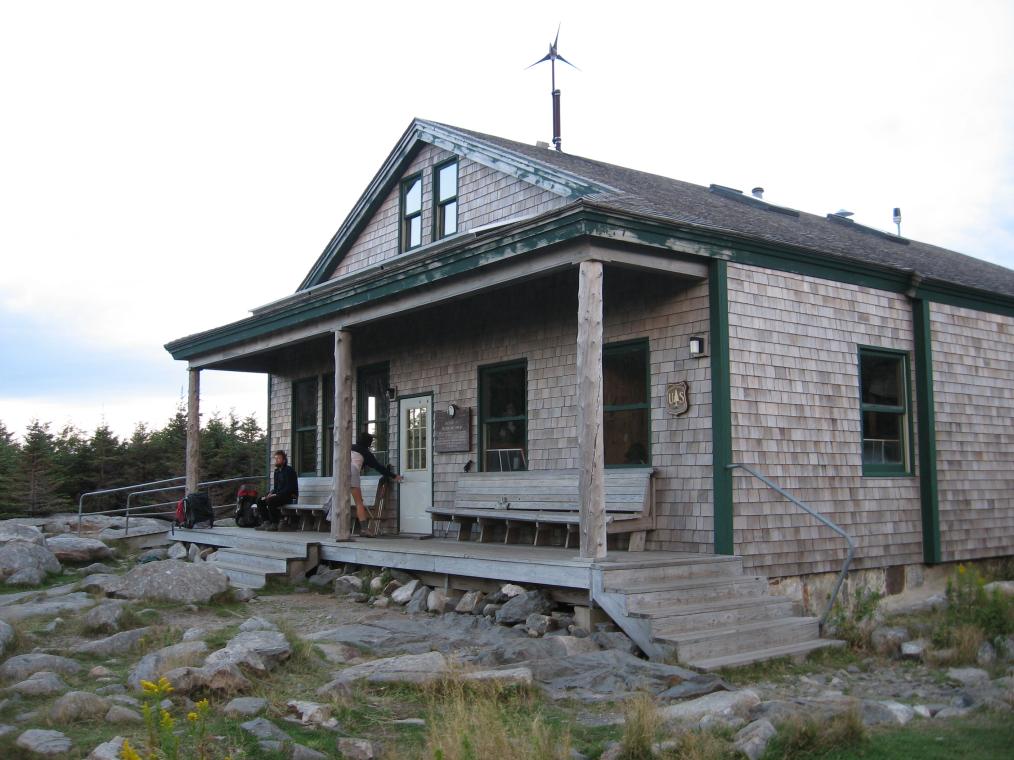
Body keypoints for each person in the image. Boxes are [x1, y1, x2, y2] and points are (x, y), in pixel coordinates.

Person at [351, 431, 402, 537]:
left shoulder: (350, 447)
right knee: (359, 502)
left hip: (339, 471)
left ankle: (337, 528)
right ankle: (364, 530)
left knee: (339, 500)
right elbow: (378, 467)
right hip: (352, 471)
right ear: (368, 443)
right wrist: (394, 476)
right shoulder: (365, 452)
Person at [256, 450, 298, 532]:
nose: (276, 460)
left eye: (278, 458)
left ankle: (275, 523)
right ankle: (266, 522)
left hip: (289, 496)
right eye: (275, 459)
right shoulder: (277, 472)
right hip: (278, 495)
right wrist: (270, 493)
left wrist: (275, 495)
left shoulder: (289, 471)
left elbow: (289, 488)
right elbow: (276, 488)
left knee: (271, 500)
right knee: (260, 500)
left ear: (284, 460)